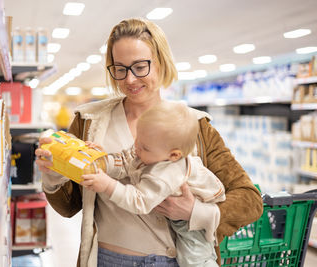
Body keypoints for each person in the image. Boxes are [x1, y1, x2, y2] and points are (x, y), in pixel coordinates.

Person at [35, 17, 263, 267]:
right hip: (108, 260)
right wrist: (54, 173)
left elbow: (250, 200)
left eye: (140, 66)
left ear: (161, 62)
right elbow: (69, 206)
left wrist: (193, 213)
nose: (130, 80)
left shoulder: (194, 126)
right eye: (120, 68)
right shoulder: (89, 121)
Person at [80, 101, 226, 267]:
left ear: (173, 155)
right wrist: (102, 158)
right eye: (137, 139)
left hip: (192, 226)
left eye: (144, 147)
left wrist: (108, 186)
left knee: (194, 260)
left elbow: (139, 201)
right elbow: (127, 161)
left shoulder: (165, 174)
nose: (136, 147)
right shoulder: (150, 149)